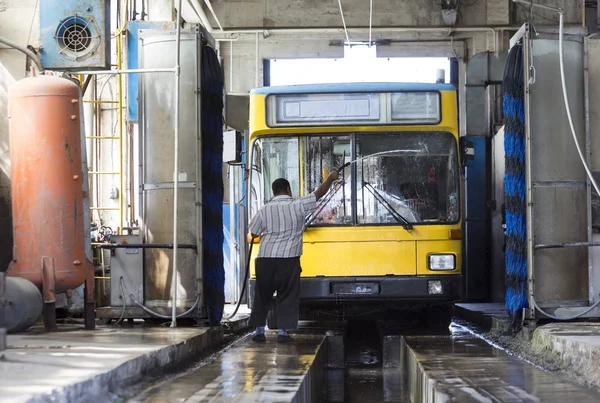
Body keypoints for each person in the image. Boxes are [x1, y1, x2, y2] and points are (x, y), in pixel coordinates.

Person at [248, 170, 340, 342]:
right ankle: (283, 333)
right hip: (289, 259)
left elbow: (253, 232)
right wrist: (330, 178)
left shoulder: (264, 210)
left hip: (265, 259)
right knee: (287, 295)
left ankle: (259, 332)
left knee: (262, 294)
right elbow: (319, 193)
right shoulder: (298, 205)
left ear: (273, 192)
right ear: (288, 189)